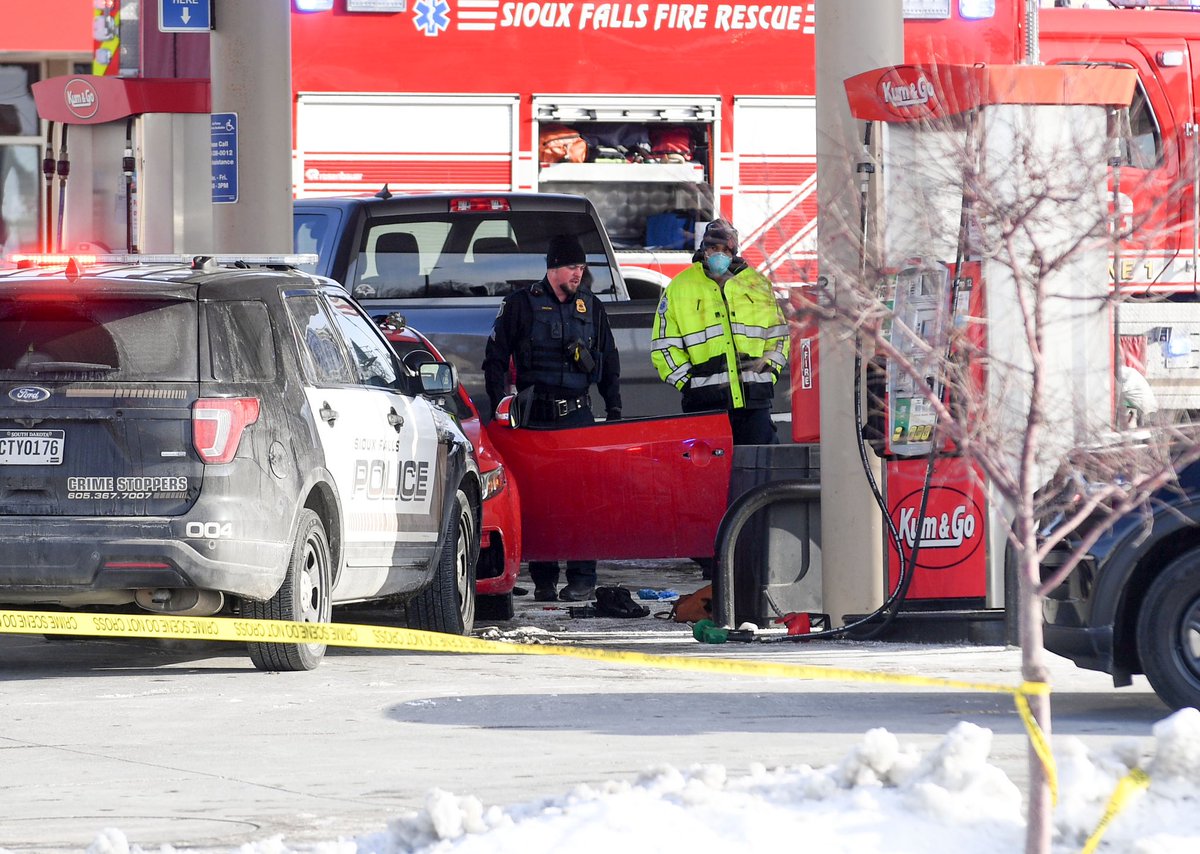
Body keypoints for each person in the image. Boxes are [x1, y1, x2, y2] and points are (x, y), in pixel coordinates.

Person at [482, 233, 622, 602]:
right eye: (572, 267)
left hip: (577, 417)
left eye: (581, 267)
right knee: (540, 503)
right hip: (536, 417)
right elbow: (494, 361)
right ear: (553, 268)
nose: (578, 274)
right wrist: (500, 404)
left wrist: (615, 408)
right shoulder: (521, 305)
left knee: (583, 502)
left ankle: (581, 577)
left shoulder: (592, 307)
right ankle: (544, 579)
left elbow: (610, 363)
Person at [651, 219, 789, 445]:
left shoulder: (757, 285)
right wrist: (688, 384)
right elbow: (664, 344)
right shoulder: (680, 288)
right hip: (705, 406)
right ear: (704, 249)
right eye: (714, 248)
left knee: (762, 471)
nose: (719, 254)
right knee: (709, 476)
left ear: (734, 251)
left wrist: (769, 371)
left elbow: (779, 336)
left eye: (726, 249)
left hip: (754, 402)